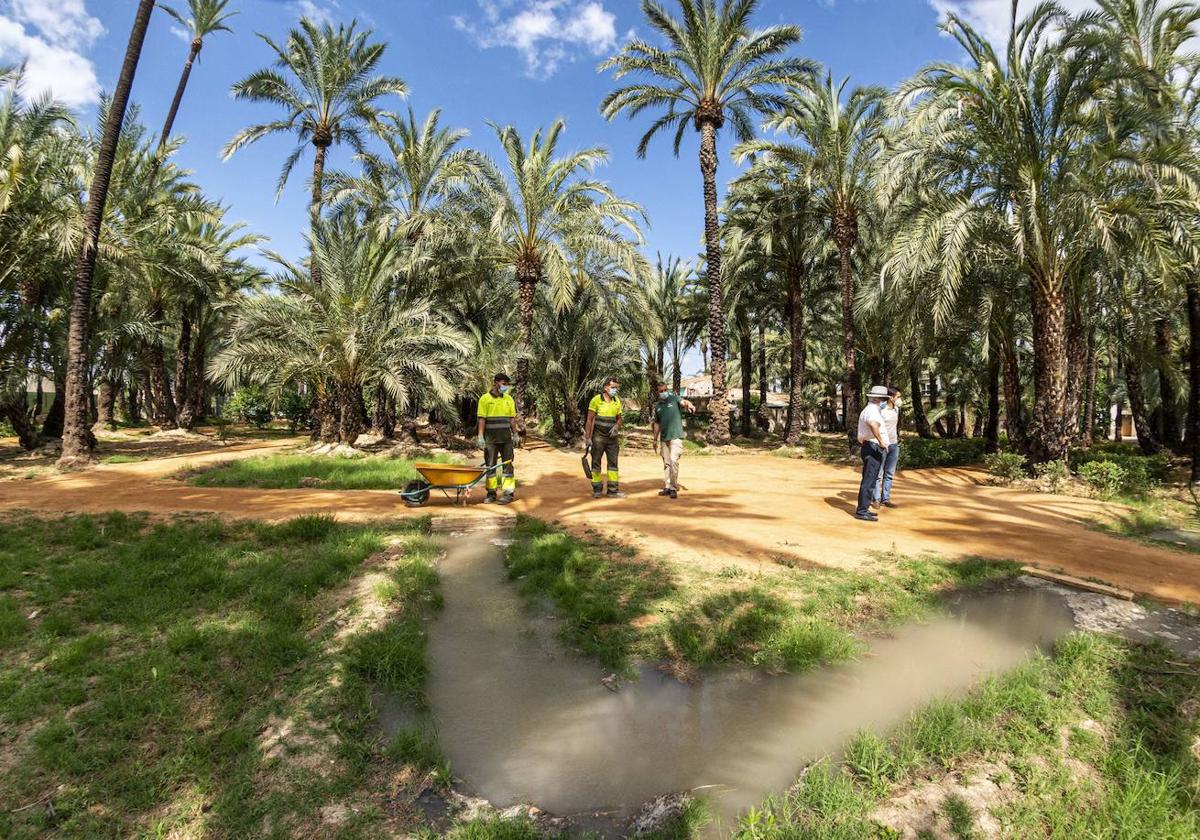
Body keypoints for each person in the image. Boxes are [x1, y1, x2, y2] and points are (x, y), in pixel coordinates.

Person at [476, 372, 518, 504]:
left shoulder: (509, 400)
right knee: (490, 467)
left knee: (507, 467)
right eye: (503, 384)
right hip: (490, 440)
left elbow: (512, 419)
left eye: (506, 385)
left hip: (506, 440)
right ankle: (491, 493)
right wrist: (480, 436)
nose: (505, 387)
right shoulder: (485, 399)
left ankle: (508, 493)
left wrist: (515, 433)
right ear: (496, 382)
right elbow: (482, 419)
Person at [652, 381, 696, 499]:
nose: (663, 393)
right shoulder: (658, 407)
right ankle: (667, 486)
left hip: (675, 436)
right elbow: (657, 424)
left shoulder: (674, 399)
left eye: (665, 390)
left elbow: (684, 402)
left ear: (667, 389)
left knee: (673, 461)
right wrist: (655, 439)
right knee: (666, 463)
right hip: (664, 438)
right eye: (661, 391)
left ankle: (673, 486)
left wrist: (689, 404)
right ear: (657, 392)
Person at [855, 385, 892, 522]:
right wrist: (881, 441)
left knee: (870, 480)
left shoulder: (871, 409)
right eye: (883, 398)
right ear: (877, 398)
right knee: (869, 480)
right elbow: (873, 425)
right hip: (872, 447)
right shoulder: (872, 411)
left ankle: (864, 509)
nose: (884, 401)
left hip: (870, 446)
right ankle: (862, 511)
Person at [585, 376, 625, 498]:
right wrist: (588, 438)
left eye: (616, 388)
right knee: (596, 462)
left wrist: (617, 427)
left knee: (613, 464)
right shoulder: (596, 400)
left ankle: (613, 491)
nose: (615, 390)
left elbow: (619, 419)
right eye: (613, 387)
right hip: (598, 436)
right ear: (606, 387)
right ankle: (597, 490)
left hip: (612, 438)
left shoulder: (617, 401)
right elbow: (590, 420)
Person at [873, 387, 902, 509]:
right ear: (891, 397)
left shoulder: (896, 409)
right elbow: (874, 425)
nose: (900, 400)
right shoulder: (880, 409)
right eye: (898, 397)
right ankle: (876, 499)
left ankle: (886, 498)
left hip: (894, 445)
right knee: (878, 474)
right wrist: (879, 442)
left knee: (889, 473)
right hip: (882, 445)